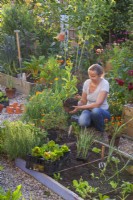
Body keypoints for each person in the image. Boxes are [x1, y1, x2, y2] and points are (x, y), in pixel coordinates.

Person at [69, 64, 110, 132]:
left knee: (95, 111)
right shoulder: (87, 82)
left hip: (102, 111)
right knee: (83, 123)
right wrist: (75, 107)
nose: (91, 78)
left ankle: (100, 130)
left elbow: (97, 104)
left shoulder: (104, 83)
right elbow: (83, 101)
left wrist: (80, 108)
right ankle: (90, 121)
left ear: (100, 75)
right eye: (89, 75)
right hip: (88, 110)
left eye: (93, 76)